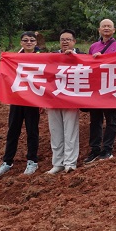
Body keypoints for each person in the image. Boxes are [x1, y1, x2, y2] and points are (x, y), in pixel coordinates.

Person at [0, 32, 42, 177]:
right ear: (21, 42)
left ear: (36, 42)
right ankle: (7, 161)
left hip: (32, 100)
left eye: (32, 40)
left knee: (32, 131)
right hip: (17, 98)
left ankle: (32, 161)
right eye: (25, 40)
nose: (28, 42)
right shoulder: (14, 57)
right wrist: (4, 61)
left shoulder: (41, 57)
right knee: (13, 130)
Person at [83, 19, 116, 165]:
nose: (106, 28)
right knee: (95, 120)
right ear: (99, 30)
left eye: (109, 26)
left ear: (114, 30)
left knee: (111, 120)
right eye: (104, 26)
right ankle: (94, 149)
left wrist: (103, 59)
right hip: (96, 88)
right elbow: (88, 66)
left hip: (112, 87)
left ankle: (107, 149)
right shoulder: (93, 47)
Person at [47, 29, 82, 174]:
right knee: (55, 131)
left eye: (68, 39)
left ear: (74, 41)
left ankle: (70, 162)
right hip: (53, 98)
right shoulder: (52, 56)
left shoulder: (81, 56)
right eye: (62, 39)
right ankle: (57, 163)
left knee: (70, 131)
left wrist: (74, 57)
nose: (65, 42)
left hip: (71, 99)